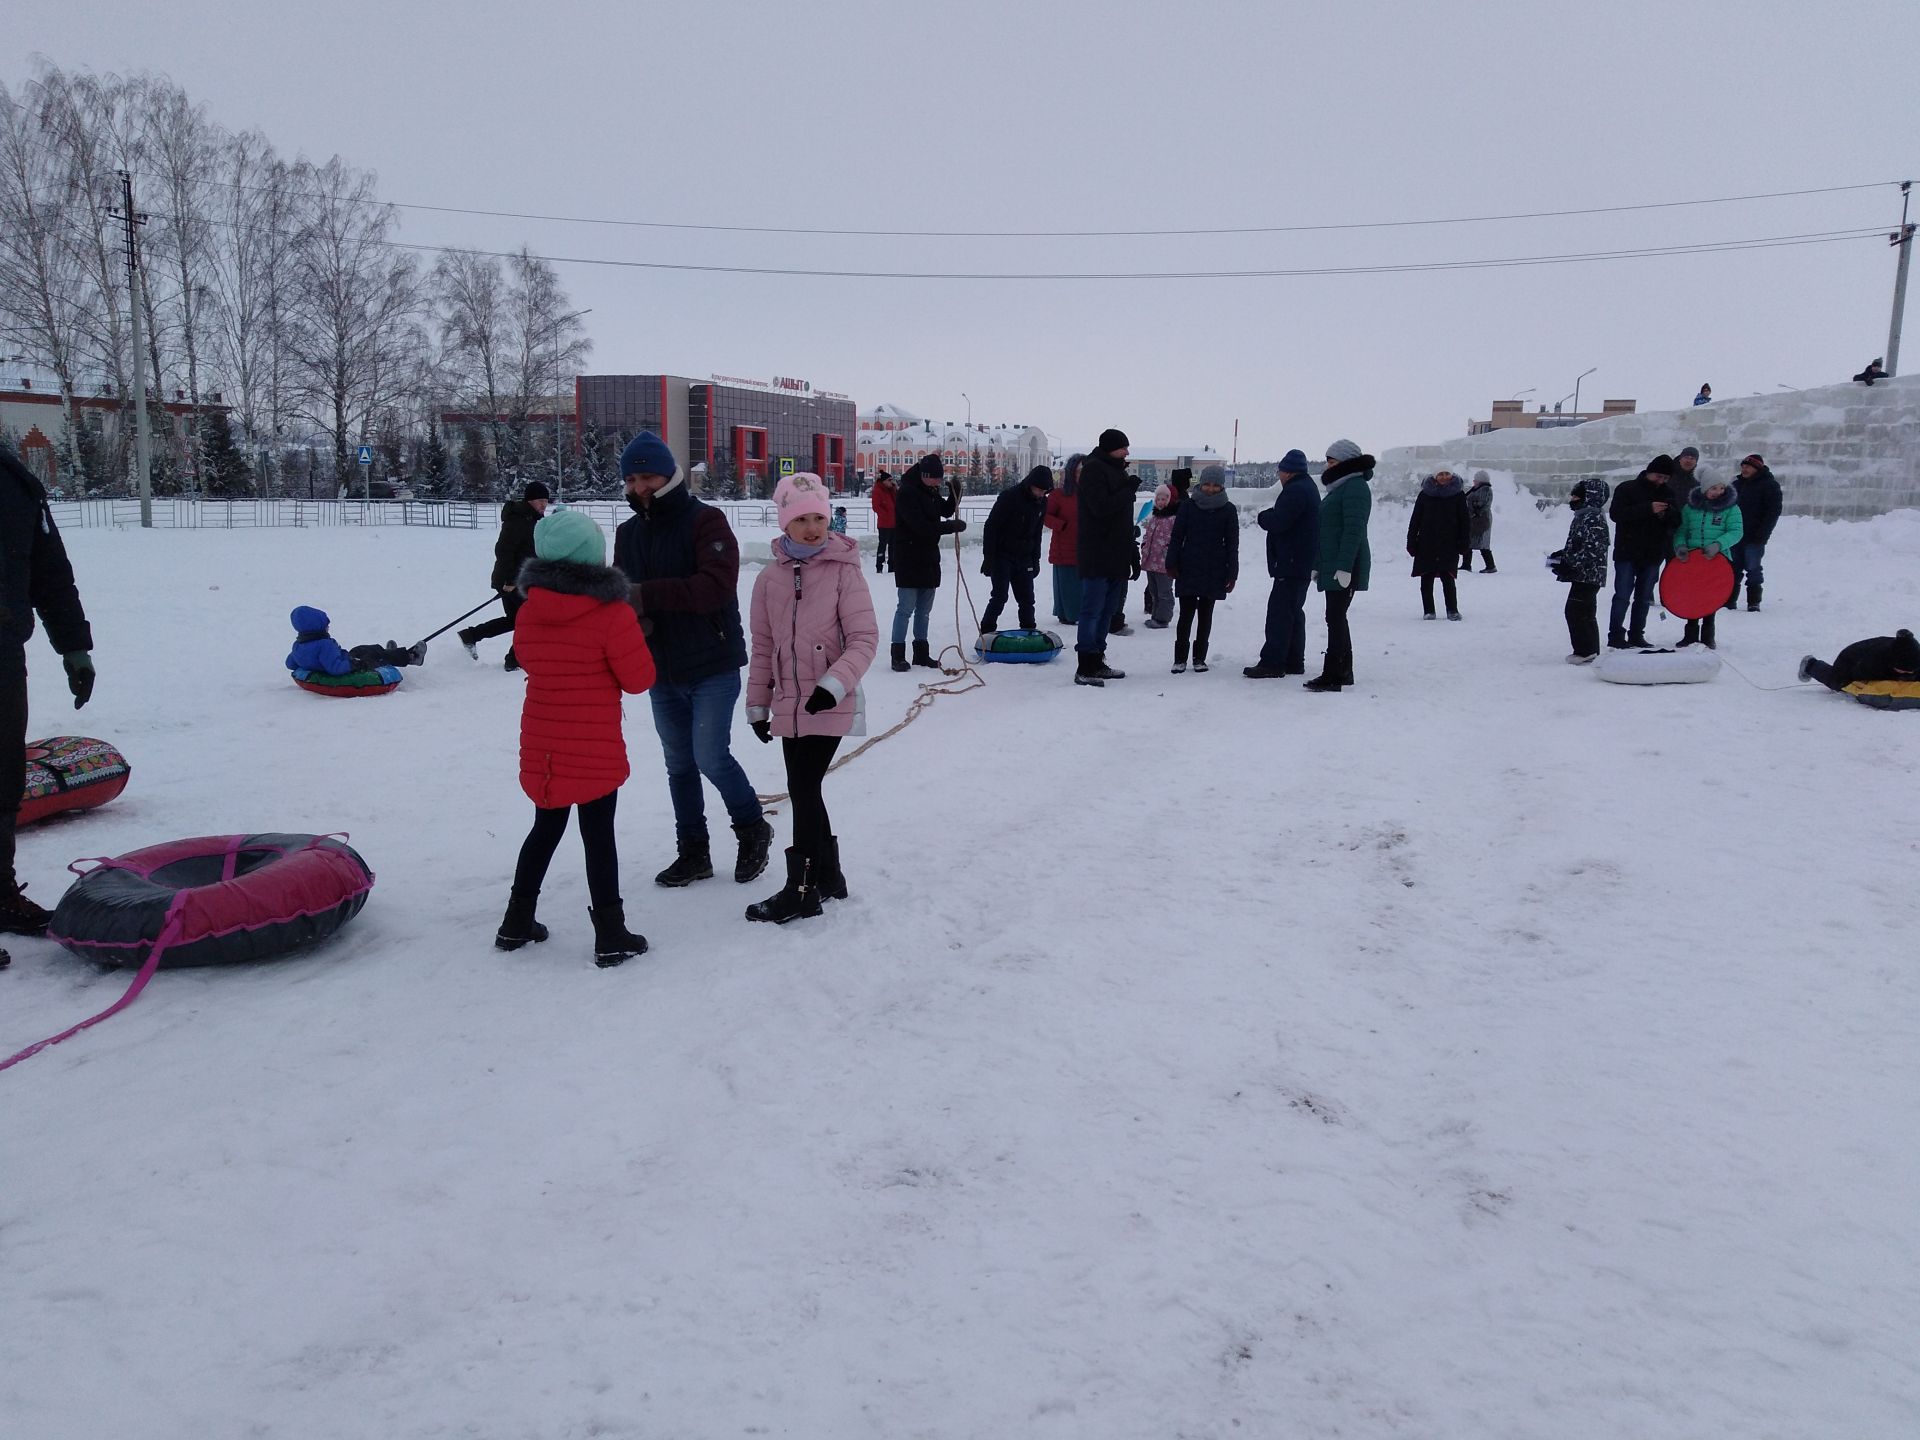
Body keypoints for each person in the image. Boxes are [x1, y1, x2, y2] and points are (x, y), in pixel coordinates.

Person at [612, 430, 774, 890]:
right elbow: (623, 594)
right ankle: (693, 852)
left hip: (712, 663)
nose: (639, 485)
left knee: (710, 756)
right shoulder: (627, 533)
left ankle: (752, 828)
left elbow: (715, 588)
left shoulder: (707, 521)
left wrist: (645, 596)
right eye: (632, 478)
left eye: (647, 475)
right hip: (661, 666)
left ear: (669, 474)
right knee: (678, 763)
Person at [497, 508, 656, 967]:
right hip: (593, 745)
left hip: (544, 742)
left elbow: (530, 660)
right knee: (598, 836)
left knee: (544, 829)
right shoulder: (612, 613)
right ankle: (611, 934)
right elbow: (639, 679)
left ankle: (515, 922)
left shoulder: (528, 613)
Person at [743, 473, 878, 924]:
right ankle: (830, 877)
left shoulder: (844, 571)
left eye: (820, 517)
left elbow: (863, 638)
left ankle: (801, 891)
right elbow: (763, 647)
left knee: (801, 786)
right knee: (807, 788)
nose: (813, 527)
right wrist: (758, 705)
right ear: (785, 522)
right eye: (802, 519)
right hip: (787, 703)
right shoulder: (768, 579)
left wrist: (833, 685)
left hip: (829, 700)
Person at [0, 446, 94, 955]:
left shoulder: (14, 480)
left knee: (3, 777)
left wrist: (74, 645)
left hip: (1, 650)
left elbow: (49, 571)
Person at [1305, 439, 1373, 692]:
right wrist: (1317, 564)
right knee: (1335, 616)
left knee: (1334, 616)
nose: (1328, 466)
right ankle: (1343, 671)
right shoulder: (1340, 487)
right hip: (1332, 563)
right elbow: (1327, 531)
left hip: (1344, 566)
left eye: (1332, 461)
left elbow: (1353, 531)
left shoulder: (1355, 488)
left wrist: (1344, 567)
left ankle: (1333, 673)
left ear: (1346, 462)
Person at [458, 480, 549, 669]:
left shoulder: (530, 520)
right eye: (540, 500)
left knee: (516, 620)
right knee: (530, 620)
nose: (544, 504)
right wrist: (509, 580)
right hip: (512, 581)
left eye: (546, 501)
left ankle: (472, 635)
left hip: (521, 580)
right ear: (530, 500)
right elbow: (504, 551)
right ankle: (513, 659)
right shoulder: (518, 521)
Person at [1245, 449, 1319, 678]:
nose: (1279, 475)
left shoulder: (1295, 491)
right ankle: (1294, 660)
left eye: (1280, 470)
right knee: (1293, 612)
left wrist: (1263, 516)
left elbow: (1279, 521)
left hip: (1292, 561)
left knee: (1279, 613)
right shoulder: (1307, 487)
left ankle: (1273, 662)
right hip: (1301, 561)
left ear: (1287, 472)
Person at [1071, 430, 1136, 687]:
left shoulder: (1116, 470)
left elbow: (1122, 520)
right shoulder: (1094, 470)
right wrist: (1128, 491)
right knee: (1092, 611)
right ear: (1111, 448)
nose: (1127, 452)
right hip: (1097, 554)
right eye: (1123, 448)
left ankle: (1097, 660)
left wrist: (1131, 551)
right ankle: (1085, 664)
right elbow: (1100, 508)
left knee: (1107, 612)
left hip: (1116, 554)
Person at [889, 454, 966, 671]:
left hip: (929, 558)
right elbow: (921, 527)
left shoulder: (929, 491)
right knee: (905, 608)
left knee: (924, 611)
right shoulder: (906, 493)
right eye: (935, 479)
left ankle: (921, 654)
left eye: (941, 480)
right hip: (909, 558)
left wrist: (955, 494)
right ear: (924, 475)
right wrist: (950, 527)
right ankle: (898, 655)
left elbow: (945, 510)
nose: (938, 483)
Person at [1166, 463, 1239, 673]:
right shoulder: (1188, 506)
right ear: (1200, 484)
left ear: (1221, 487)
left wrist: (1232, 573)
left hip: (1214, 569)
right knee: (1186, 614)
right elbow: (1177, 536)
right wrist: (1171, 562)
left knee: (1206, 615)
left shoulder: (1228, 509)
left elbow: (1232, 544)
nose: (1210, 488)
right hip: (1188, 566)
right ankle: (1180, 658)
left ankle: (1199, 657)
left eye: (1215, 485)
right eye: (1207, 484)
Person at [1607, 455, 1681, 648]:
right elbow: (1617, 514)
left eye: (1665, 478)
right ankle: (1615, 635)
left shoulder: (1668, 493)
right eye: (1658, 476)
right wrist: (1648, 509)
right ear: (1649, 471)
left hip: (1653, 553)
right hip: (1627, 551)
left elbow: (1677, 521)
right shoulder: (1627, 488)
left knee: (1643, 597)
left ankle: (1636, 634)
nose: (1661, 481)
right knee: (1622, 595)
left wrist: (1667, 513)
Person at [978, 465, 1053, 634]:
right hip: (1002, 556)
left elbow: (1037, 533)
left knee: (1027, 599)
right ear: (1030, 484)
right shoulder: (1009, 497)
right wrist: (988, 558)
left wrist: (1036, 560)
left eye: (1045, 492)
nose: (1041, 494)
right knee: (999, 596)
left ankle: (1028, 630)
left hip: (1025, 557)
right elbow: (991, 527)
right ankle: (987, 631)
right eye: (1039, 490)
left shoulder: (1042, 503)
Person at [1672, 474, 1742, 649]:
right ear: (1704, 489)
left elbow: (1736, 532)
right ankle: (1690, 634)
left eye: (1721, 488)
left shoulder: (1731, 509)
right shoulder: (1690, 509)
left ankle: (1708, 636)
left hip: (1717, 560)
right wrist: (1680, 546)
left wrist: (1718, 545)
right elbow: (1682, 530)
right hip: (1694, 559)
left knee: (1711, 596)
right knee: (1693, 595)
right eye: (1713, 488)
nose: (1718, 492)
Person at [1547, 478, 1611, 663]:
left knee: (1576, 611)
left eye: (1576, 495)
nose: (1572, 499)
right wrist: (1562, 556)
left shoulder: (1593, 518)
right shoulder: (1584, 516)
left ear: (1589, 497)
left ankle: (1585, 651)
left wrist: (1569, 563)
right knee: (1585, 611)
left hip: (1589, 574)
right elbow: (1579, 545)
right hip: (1584, 573)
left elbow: (1592, 550)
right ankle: (1589, 650)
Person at [1406, 467, 1470, 621]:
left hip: (1449, 543)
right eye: (1440, 474)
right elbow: (1415, 519)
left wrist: (1464, 541)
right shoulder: (1425, 495)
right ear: (1435, 477)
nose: (1444, 477)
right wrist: (1411, 540)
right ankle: (1429, 611)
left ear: (1451, 475)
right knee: (1426, 577)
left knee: (1447, 577)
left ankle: (1452, 610)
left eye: (1447, 474)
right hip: (1427, 543)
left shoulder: (1458, 495)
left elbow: (1465, 520)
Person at [286, 607, 426, 676]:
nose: (328, 627)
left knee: (361, 649)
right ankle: (412, 657)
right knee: (375, 656)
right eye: (325, 625)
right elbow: (335, 668)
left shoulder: (298, 645)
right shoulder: (324, 645)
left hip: (345, 658)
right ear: (317, 627)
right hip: (351, 667)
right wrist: (354, 664)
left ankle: (390, 653)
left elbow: (290, 663)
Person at [1727, 453, 1782, 612]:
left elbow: (1773, 512)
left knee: (1753, 568)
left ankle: (1753, 601)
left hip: (1755, 536)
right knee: (1732, 568)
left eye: (1748, 466)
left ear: (1757, 468)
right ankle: (1729, 600)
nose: (1744, 469)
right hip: (1735, 536)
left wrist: (1763, 534)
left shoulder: (1769, 485)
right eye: (1743, 466)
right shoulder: (1736, 485)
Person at [1799, 629, 1920, 691]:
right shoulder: (1873, 664)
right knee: (1838, 682)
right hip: (1851, 660)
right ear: (1893, 664)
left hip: (1879, 653)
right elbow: (1860, 683)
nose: (1907, 674)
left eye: (1911, 671)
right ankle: (1810, 665)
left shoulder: (1914, 657)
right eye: (1903, 671)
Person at [1043, 454, 1083, 625]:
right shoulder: (1059, 494)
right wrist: (1063, 526)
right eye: (1080, 470)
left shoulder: (1092, 493)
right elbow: (1045, 515)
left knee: (1082, 584)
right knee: (1066, 584)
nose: (1083, 474)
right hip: (1064, 547)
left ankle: (1080, 613)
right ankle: (1066, 614)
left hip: (1085, 547)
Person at [1138, 483, 1178, 629]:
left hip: (1165, 563)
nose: (1160, 502)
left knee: (1164, 591)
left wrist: (1171, 555)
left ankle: (1163, 618)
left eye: (1164, 499)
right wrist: (1144, 547)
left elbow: (1178, 540)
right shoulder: (1154, 517)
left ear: (1170, 500)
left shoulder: (1173, 519)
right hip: (1151, 561)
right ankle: (1155, 615)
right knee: (1154, 591)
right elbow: (1148, 536)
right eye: (1158, 499)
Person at [1462, 470, 1495, 572]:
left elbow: (1479, 505)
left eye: (1476, 479)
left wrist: (1472, 511)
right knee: (1470, 543)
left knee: (1482, 544)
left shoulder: (1485, 490)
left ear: (1481, 480)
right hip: (1475, 520)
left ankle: (1490, 566)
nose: (1474, 481)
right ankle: (1466, 565)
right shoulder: (1477, 489)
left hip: (1481, 521)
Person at [869, 470, 898, 573]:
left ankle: (892, 566)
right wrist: (886, 516)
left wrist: (895, 488)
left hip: (894, 523)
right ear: (884, 481)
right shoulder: (878, 490)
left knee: (893, 546)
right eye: (889, 480)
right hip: (884, 524)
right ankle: (879, 566)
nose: (891, 482)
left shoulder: (891, 490)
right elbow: (876, 506)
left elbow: (897, 500)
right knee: (882, 545)